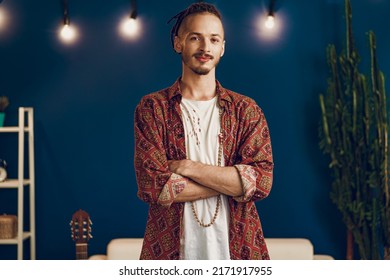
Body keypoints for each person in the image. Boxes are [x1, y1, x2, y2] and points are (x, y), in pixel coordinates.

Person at [134, 2, 273, 260]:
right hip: (169, 254)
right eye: (195, 37)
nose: (205, 47)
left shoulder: (246, 110)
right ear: (178, 43)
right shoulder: (153, 109)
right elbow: (153, 185)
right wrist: (234, 182)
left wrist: (188, 167)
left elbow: (261, 181)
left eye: (213, 39)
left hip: (239, 254)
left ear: (223, 47)